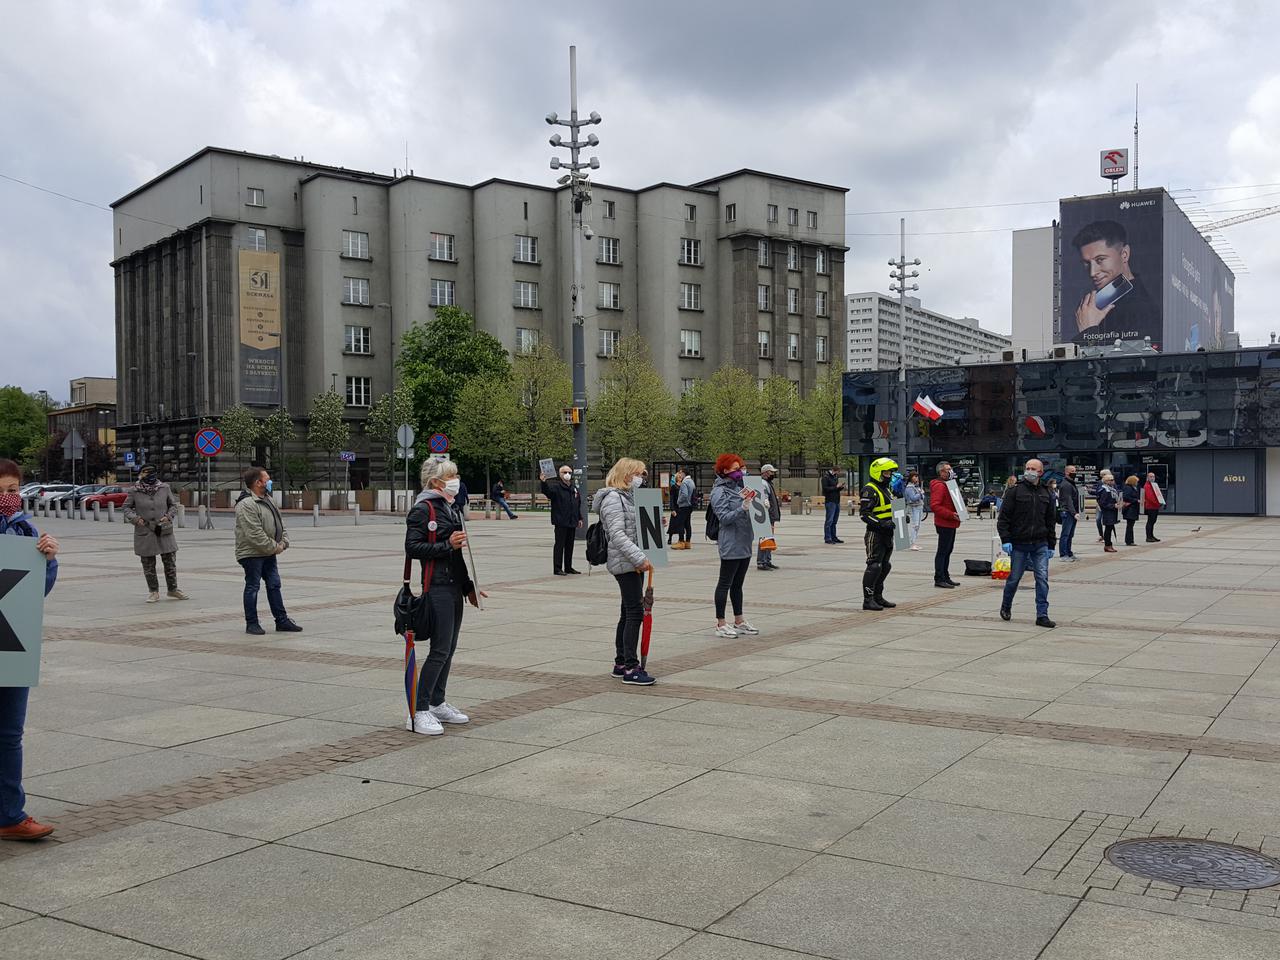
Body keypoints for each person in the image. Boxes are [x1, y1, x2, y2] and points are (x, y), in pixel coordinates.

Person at [404, 458, 486, 733]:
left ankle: (437, 702)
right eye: (451, 475)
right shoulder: (423, 509)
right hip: (436, 586)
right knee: (439, 650)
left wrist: (468, 587)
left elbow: (457, 555)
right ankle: (418, 710)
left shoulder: (449, 509)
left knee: (448, 650)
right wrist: (445, 544)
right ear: (435, 482)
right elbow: (412, 547)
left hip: (452, 587)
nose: (456, 479)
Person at [0, 459, 59, 841]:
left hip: (10, 644)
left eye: (11, 490)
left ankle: (9, 816)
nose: (6, 498)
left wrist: (48, 561)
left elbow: (35, 592)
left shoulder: (26, 530)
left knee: (8, 734)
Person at [591, 457, 655, 685]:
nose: (642, 478)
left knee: (628, 612)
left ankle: (621, 662)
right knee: (635, 612)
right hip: (625, 563)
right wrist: (639, 558)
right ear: (626, 475)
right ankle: (630, 667)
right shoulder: (613, 499)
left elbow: (632, 527)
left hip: (631, 562)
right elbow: (618, 535)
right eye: (639, 473)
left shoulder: (628, 498)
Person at [234, 467, 302, 635]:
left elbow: (279, 523)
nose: (270, 482)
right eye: (267, 479)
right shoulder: (246, 504)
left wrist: (283, 541)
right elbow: (254, 534)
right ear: (258, 483)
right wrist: (275, 547)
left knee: (274, 584)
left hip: (269, 552)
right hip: (251, 554)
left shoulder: (268, 499)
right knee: (253, 586)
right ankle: (252, 623)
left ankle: (282, 620)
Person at [1071, 219, 1162, 342]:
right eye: (1087, 263)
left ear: (1124, 254)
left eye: (1100, 260)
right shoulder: (1099, 304)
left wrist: (1088, 332)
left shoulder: (1141, 311)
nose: (1093, 272)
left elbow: (1125, 361)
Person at [997, 458, 1058, 628]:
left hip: (1040, 543)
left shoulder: (1046, 493)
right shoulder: (1015, 491)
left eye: (1033, 469)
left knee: (1042, 578)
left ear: (1040, 472)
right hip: (1019, 543)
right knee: (1014, 578)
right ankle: (1006, 605)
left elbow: (1050, 520)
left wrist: (1051, 544)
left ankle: (1042, 614)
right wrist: (1006, 539)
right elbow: (1004, 518)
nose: (1029, 471)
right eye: (1027, 468)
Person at [710, 454, 759, 637]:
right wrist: (742, 508)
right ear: (724, 471)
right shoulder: (719, 491)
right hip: (730, 542)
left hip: (745, 540)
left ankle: (739, 619)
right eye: (735, 469)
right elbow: (724, 518)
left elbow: (751, 512)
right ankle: (721, 622)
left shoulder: (741, 487)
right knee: (725, 583)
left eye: (741, 468)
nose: (739, 472)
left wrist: (759, 506)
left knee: (738, 584)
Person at [122, 465, 188, 602]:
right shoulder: (134, 490)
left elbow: (173, 505)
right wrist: (135, 519)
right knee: (148, 563)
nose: (145, 475)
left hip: (163, 529)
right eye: (143, 473)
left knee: (170, 561)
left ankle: (173, 589)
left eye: (148, 473)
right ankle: (153, 591)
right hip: (145, 530)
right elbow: (126, 507)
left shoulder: (164, 488)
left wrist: (168, 516)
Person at [860, 456, 899, 610]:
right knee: (874, 566)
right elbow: (865, 514)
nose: (889, 475)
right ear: (878, 472)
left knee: (885, 566)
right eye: (887, 472)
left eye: (890, 473)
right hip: (875, 534)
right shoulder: (870, 489)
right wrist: (882, 523)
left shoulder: (886, 489)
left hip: (887, 533)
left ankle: (878, 596)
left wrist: (902, 517)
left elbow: (888, 509)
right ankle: (867, 600)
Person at [540, 464, 583, 576]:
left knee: (570, 545)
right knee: (560, 545)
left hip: (572, 521)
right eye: (564, 472)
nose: (567, 474)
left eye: (569, 472)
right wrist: (543, 482)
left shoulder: (573, 488)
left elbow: (577, 504)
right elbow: (548, 493)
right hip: (561, 521)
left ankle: (568, 567)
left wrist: (579, 518)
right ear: (560, 474)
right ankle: (557, 568)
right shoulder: (556, 487)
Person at [928, 462, 960, 588]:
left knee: (948, 550)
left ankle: (945, 576)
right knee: (943, 551)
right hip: (944, 523)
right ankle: (939, 578)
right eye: (948, 470)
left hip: (951, 523)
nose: (950, 471)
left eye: (950, 469)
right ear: (941, 472)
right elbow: (935, 505)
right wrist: (951, 514)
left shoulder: (948, 484)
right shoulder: (940, 486)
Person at [757, 464, 782, 571]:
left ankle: (767, 560)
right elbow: (764, 498)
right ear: (766, 472)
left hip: (769, 515)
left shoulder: (767, 483)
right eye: (771, 472)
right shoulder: (763, 483)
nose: (773, 474)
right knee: (764, 538)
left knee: (768, 538)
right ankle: (762, 562)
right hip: (766, 515)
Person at [1057, 465, 1083, 562]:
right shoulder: (1066, 484)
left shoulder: (1070, 483)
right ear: (1067, 472)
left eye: (1075, 470)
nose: (1074, 472)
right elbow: (1068, 500)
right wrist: (1074, 512)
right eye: (1072, 471)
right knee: (1065, 534)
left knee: (1070, 534)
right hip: (1067, 512)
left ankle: (1068, 552)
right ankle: (1063, 554)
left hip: (1071, 512)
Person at [1096, 470, 1120, 553]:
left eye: (1113, 479)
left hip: (1112, 512)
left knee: (1110, 528)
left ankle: (1109, 545)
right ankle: (1107, 545)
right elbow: (1103, 503)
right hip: (1107, 512)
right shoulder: (1104, 490)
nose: (1113, 481)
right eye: (1111, 480)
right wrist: (1113, 505)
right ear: (1106, 481)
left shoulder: (1111, 489)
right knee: (1108, 529)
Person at [671, 469, 696, 550]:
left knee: (680, 523)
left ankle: (681, 542)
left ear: (684, 473)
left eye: (681, 473)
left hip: (684, 505)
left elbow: (684, 494)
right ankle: (688, 542)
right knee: (687, 524)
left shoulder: (684, 482)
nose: (680, 474)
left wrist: (678, 501)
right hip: (690, 506)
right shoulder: (691, 481)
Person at [821, 466, 845, 544]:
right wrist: (836, 487)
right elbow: (825, 489)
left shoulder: (835, 477)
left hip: (836, 500)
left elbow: (835, 489)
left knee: (834, 520)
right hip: (830, 501)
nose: (838, 473)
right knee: (829, 520)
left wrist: (840, 487)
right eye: (838, 471)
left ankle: (833, 537)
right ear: (835, 470)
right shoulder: (826, 477)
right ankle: (827, 538)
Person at [904, 471, 924, 551]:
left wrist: (921, 494)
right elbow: (913, 498)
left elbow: (922, 497)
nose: (916, 478)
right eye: (914, 476)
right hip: (914, 507)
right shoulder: (909, 488)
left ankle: (914, 542)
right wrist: (920, 494)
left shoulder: (915, 487)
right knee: (914, 525)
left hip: (919, 507)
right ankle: (912, 543)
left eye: (917, 476)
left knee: (917, 526)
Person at [1142, 471, 1164, 542]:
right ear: (1147, 478)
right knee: (1150, 521)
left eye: (1153, 476)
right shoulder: (1147, 486)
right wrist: (1158, 503)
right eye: (1150, 476)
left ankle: (1151, 536)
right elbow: (1150, 497)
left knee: (1153, 521)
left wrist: (1160, 502)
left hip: (1155, 506)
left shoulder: (1154, 485)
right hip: (1151, 506)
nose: (1152, 478)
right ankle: (1148, 537)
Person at [1121, 475, 1141, 546]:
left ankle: (1130, 540)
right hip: (1130, 509)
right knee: (1130, 526)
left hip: (1133, 509)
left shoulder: (1133, 488)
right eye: (1136, 481)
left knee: (1131, 525)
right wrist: (1136, 500)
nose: (1137, 483)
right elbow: (1126, 497)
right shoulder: (1128, 488)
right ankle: (1129, 541)